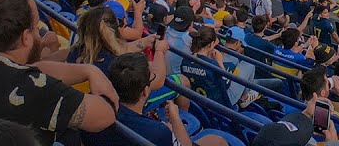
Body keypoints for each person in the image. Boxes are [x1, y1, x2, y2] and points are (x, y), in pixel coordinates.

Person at [0, 0, 118, 145]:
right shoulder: (33, 89)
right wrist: (98, 75)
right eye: (36, 27)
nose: (39, 33)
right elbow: (104, 115)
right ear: (25, 37)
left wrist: (88, 70)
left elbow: (33, 68)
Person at [86, 52, 231, 146]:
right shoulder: (157, 133)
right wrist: (175, 120)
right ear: (145, 91)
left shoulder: (92, 112)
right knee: (216, 140)